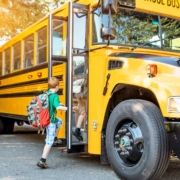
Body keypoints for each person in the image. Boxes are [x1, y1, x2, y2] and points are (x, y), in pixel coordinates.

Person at [37, 77, 67, 169]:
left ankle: (55, 138)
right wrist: (67, 108)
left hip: (46, 119)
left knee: (60, 121)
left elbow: (52, 104)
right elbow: (57, 107)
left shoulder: (47, 93)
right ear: (57, 86)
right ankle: (42, 160)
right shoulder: (55, 96)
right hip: (50, 122)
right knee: (49, 142)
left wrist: (59, 104)